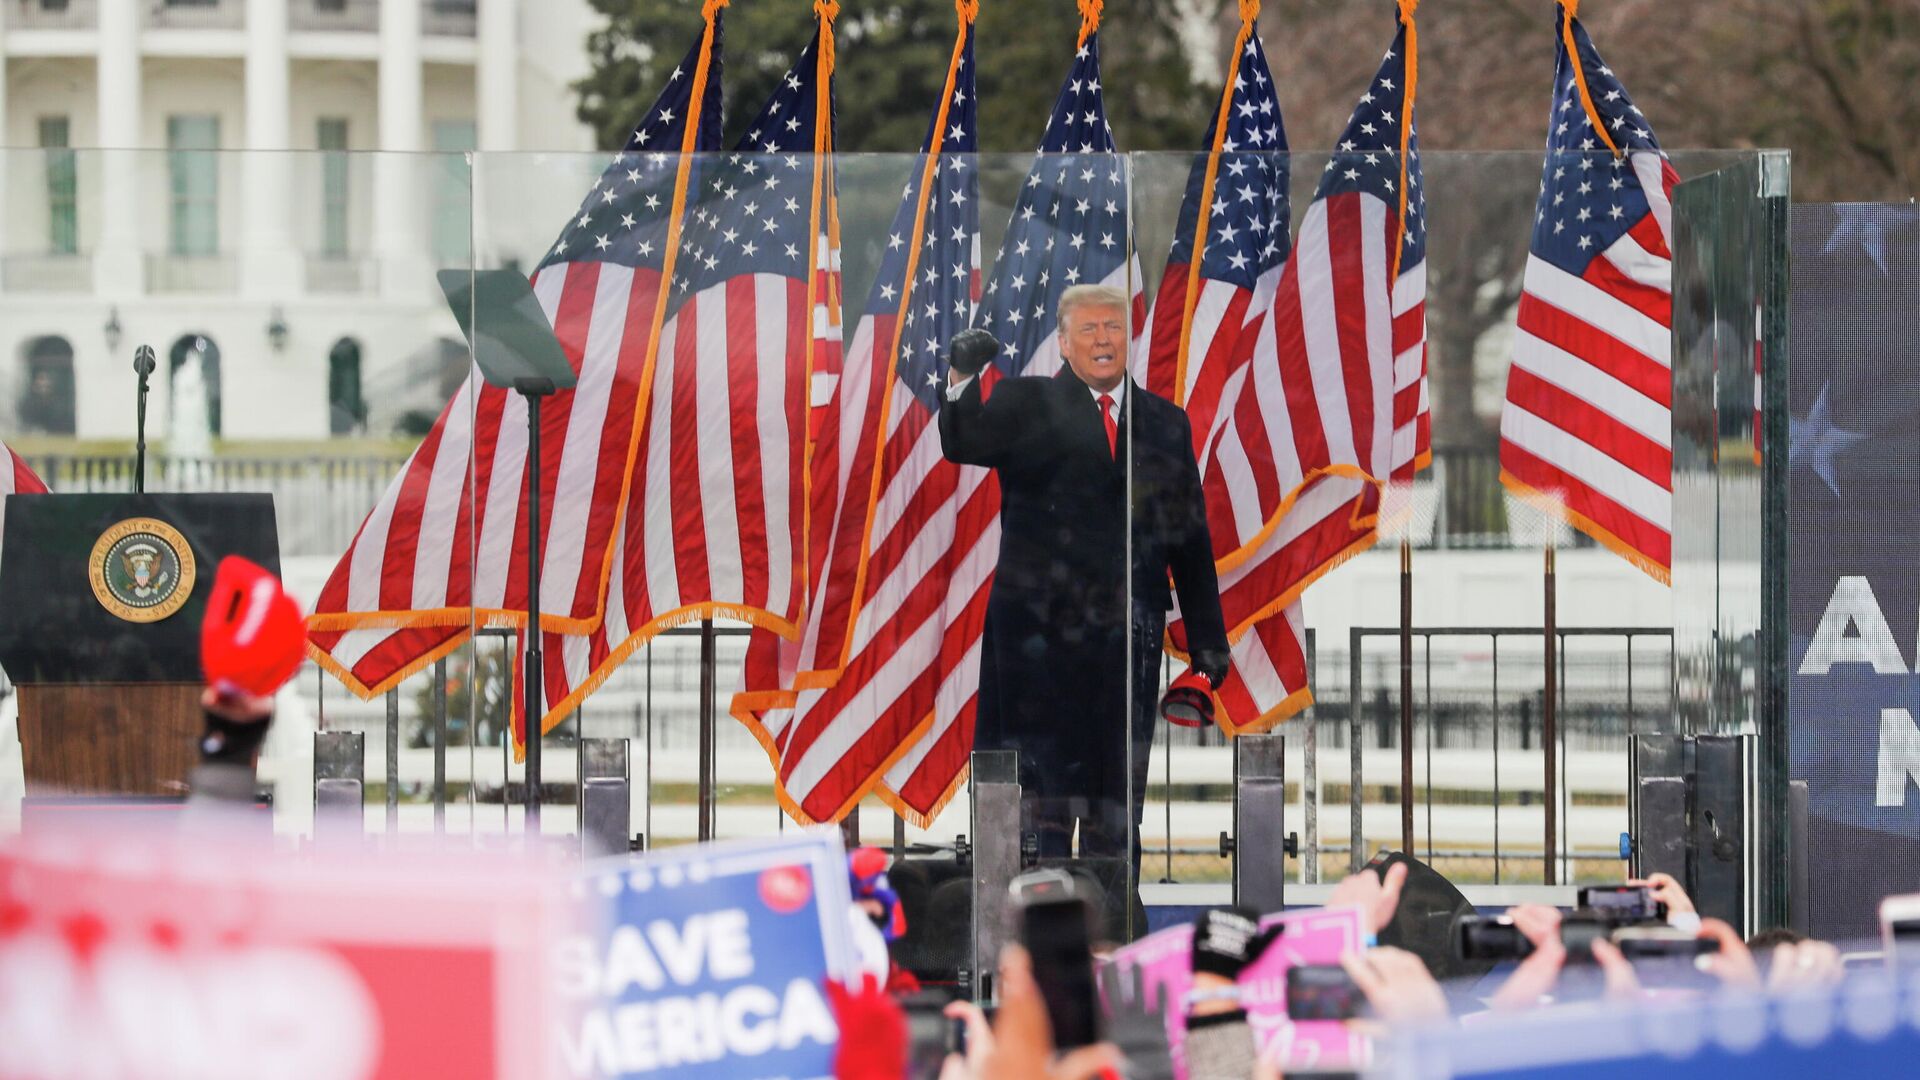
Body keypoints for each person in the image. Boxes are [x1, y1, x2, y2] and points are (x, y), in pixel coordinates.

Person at [939, 284, 1230, 930]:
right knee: (1038, 801)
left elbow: (1188, 532)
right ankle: (1031, 934)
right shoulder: (1025, 402)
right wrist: (962, 375)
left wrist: (1208, 636)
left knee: (1114, 799)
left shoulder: (1164, 422)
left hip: (1126, 643)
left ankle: (1114, 928)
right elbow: (962, 443)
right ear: (1065, 344)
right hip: (1037, 649)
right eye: (1090, 329)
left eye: (1114, 328)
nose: (1104, 339)